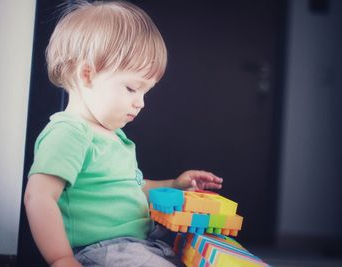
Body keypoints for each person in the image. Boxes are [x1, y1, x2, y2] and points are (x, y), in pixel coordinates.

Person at [24, 1, 223, 266]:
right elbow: (38, 196)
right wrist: (61, 258)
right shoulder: (69, 132)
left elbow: (134, 188)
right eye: (131, 88)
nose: (141, 102)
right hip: (105, 249)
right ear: (87, 75)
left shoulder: (114, 137)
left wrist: (173, 185)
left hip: (142, 242)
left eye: (145, 92)